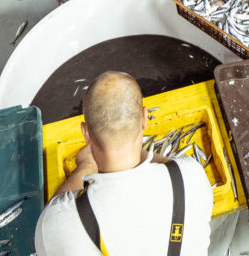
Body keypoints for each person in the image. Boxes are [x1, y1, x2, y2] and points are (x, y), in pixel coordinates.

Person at [36, 71, 215, 256]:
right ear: (145, 118)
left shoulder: (58, 224)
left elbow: (53, 210)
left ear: (86, 133)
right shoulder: (192, 178)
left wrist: (86, 166)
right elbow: (172, 166)